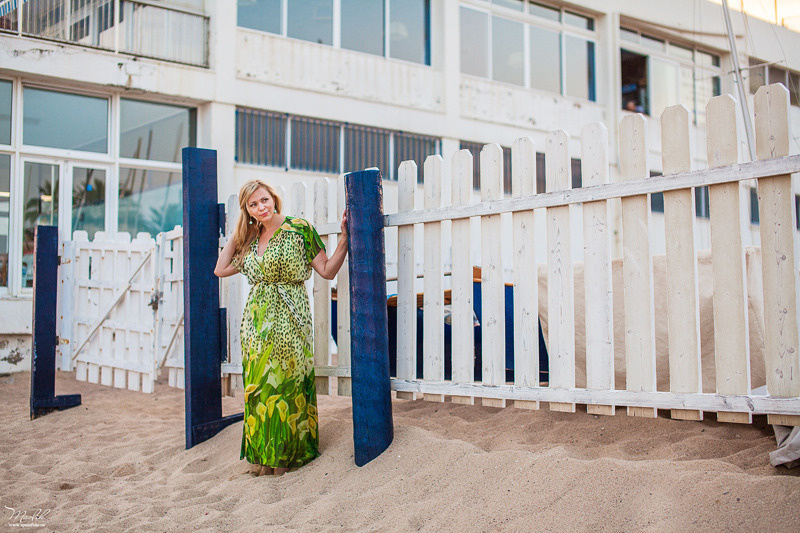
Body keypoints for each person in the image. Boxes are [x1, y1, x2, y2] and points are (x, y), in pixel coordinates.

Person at [214, 179, 348, 476]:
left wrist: (343, 241)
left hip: (290, 320)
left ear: (273, 198)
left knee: (287, 386)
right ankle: (264, 458)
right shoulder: (250, 238)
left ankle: (287, 458)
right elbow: (221, 269)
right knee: (260, 391)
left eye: (263, 200)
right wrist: (239, 234)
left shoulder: (298, 227)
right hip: (256, 325)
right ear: (246, 210)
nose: (260, 207)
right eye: (252, 205)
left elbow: (326, 270)